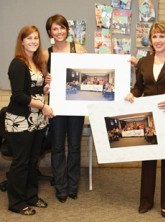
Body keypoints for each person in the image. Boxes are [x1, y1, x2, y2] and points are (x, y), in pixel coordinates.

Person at [125, 21, 165, 218]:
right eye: (154, 36)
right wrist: (132, 94)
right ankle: (146, 201)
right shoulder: (144, 62)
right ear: (150, 40)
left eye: (162, 36)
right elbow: (139, 87)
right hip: (149, 117)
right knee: (149, 159)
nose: (158, 40)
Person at [5, 25, 54, 215]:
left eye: (36, 38)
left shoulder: (35, 61)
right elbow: (19, 96)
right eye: (29, 38)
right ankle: (16, 202)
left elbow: (32, 90)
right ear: (22, 41)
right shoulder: (18, 63)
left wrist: (45, 90)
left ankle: (31, 196)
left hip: (37, 120)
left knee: (33, 160)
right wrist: (43, 106)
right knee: (21, 161)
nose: (33, 41)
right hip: (21, 120)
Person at [43, 14, 87, 203]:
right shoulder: (46, 54)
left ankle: (73, 186)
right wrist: (47, 82)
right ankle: (60, 187)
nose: (59, 31)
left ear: (67, 30)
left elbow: (89, 74)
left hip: (76, 105)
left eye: (62, 27)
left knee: (75, 147)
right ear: (49, 32)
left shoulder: (78, 49)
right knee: (58, 147)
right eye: (55, 28)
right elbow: (44, 81)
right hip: (57, 107)